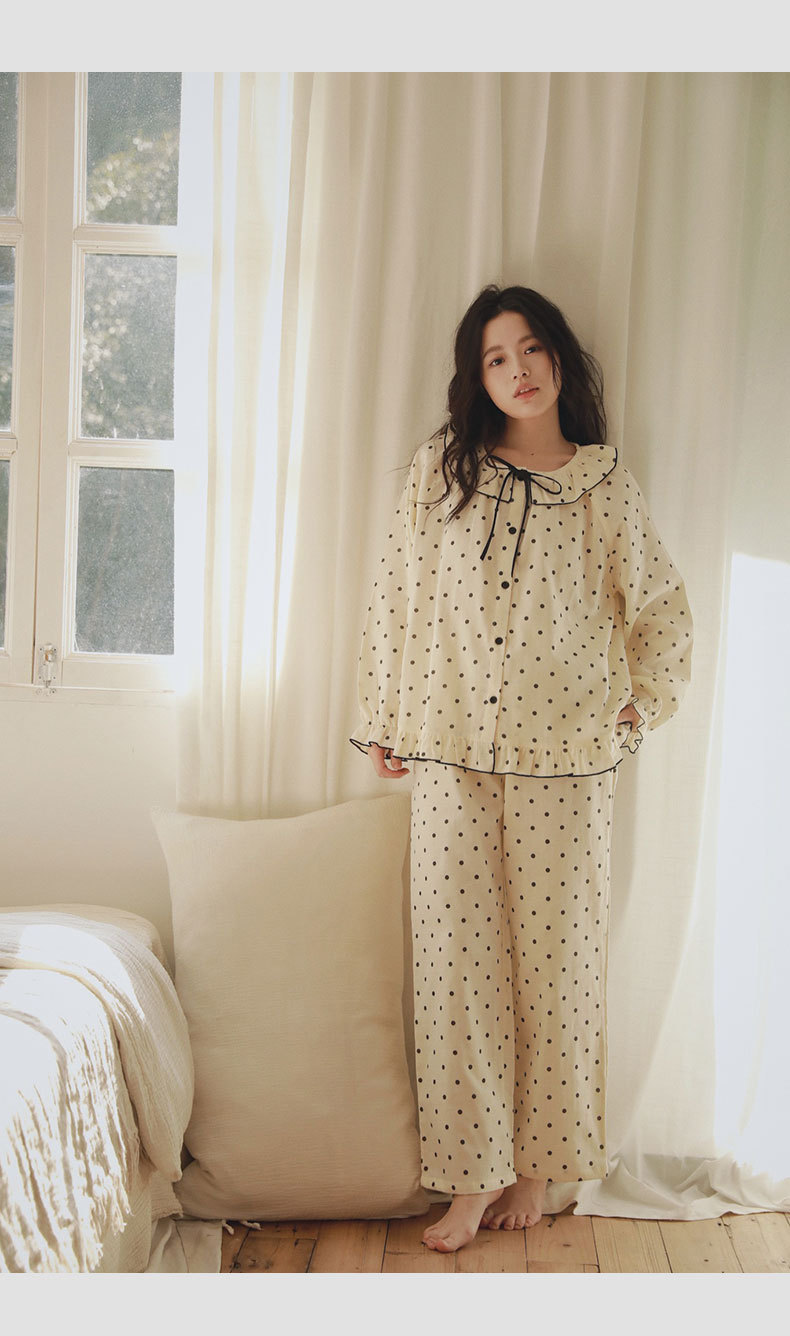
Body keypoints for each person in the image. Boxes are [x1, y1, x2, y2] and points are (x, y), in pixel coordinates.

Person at [348, 284, 693, 1254]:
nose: (518, 370)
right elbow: (396, 596)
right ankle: (471, 1177)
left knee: (559, 970)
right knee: (455, 968)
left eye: (532, 348)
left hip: (569, 761)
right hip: (450, 748)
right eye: (496, 357)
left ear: (560, 360)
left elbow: (661, 609)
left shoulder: (604, 486)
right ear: (479, 377)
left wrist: (642, 703)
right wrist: (382, 716)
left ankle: (538, 1166)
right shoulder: (443, 470)